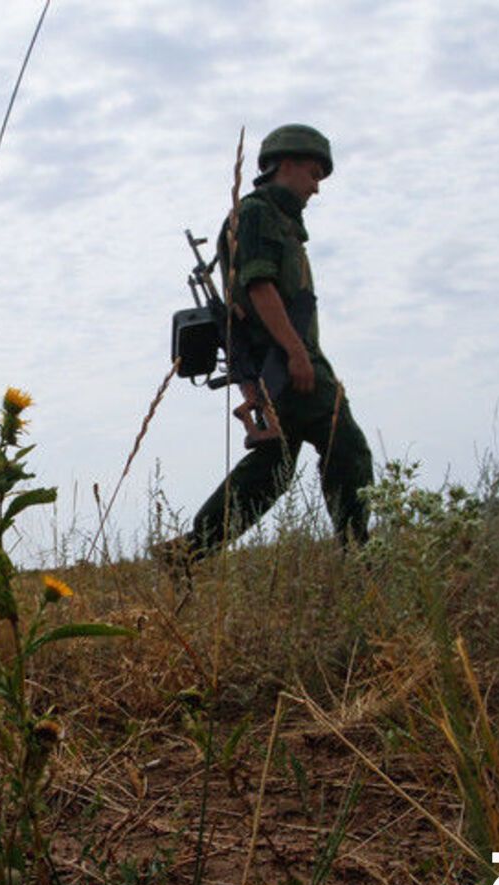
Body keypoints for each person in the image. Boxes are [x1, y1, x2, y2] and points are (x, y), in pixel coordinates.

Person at [155, 124, 373, 570]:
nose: (316, 187)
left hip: (281, 363)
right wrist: (296, 353)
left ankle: (188, 552)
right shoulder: (257, 214)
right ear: (286, 164)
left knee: (272, 467)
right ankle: (359, 558)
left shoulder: (278, 222)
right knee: (346, 447)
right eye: (313, 174)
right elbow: (258, 288)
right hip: (289, 362)